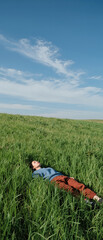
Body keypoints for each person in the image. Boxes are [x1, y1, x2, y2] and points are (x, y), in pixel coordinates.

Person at [30, 160, 103, 203]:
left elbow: (58, 173)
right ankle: (86, 202)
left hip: (63, 177)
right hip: (53, 180)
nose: (37, 162)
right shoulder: (35, 173)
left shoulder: (48, 168)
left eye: (36, 161)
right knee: (69, 189)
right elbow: (38, 181)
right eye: (34, 162)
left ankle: (96, 198)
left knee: (78, 185)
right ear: (33, 167)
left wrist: (68, 177)